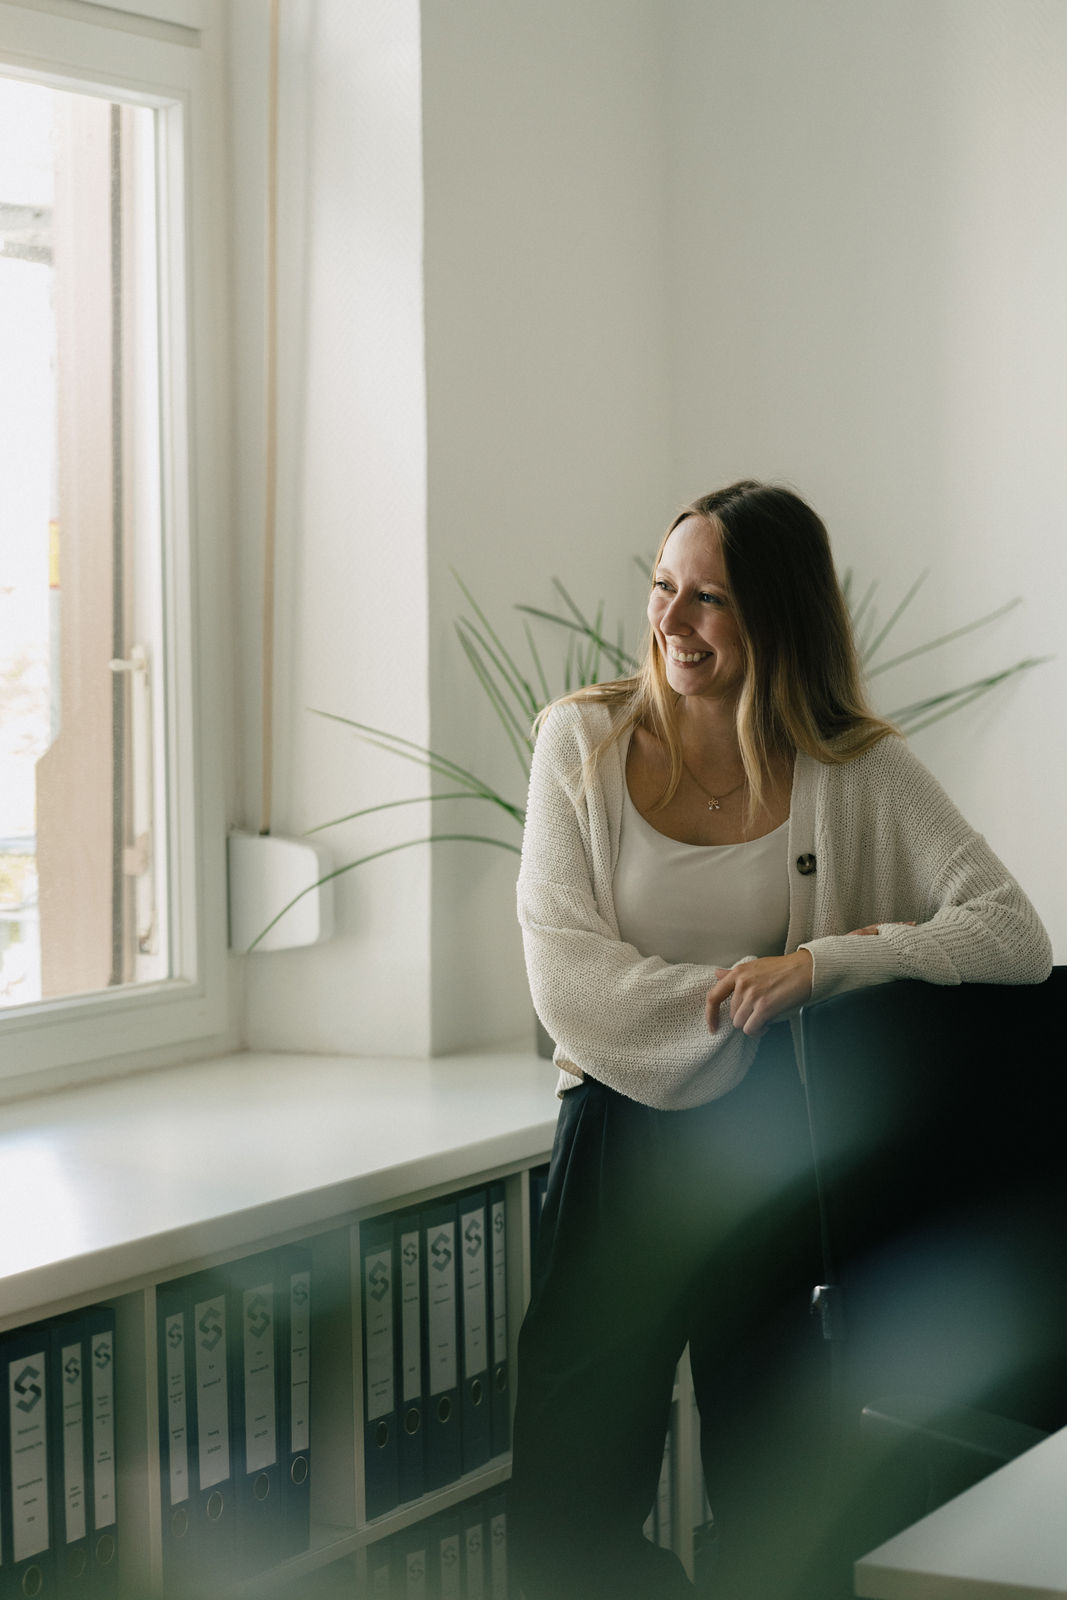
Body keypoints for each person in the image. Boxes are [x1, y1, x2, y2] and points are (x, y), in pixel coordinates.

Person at [506, 481, 1052, 1600]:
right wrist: (738, 1015)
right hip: (614, 1138)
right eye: (663, 587)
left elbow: (1013, 935)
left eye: (708, 598)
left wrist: (821, 965)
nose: (671, 621)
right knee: (566, 1501)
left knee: (777, 1497)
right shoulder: (580, 744)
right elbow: (566, 978)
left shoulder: (855, 769)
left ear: (778, 617)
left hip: (777, 1153)